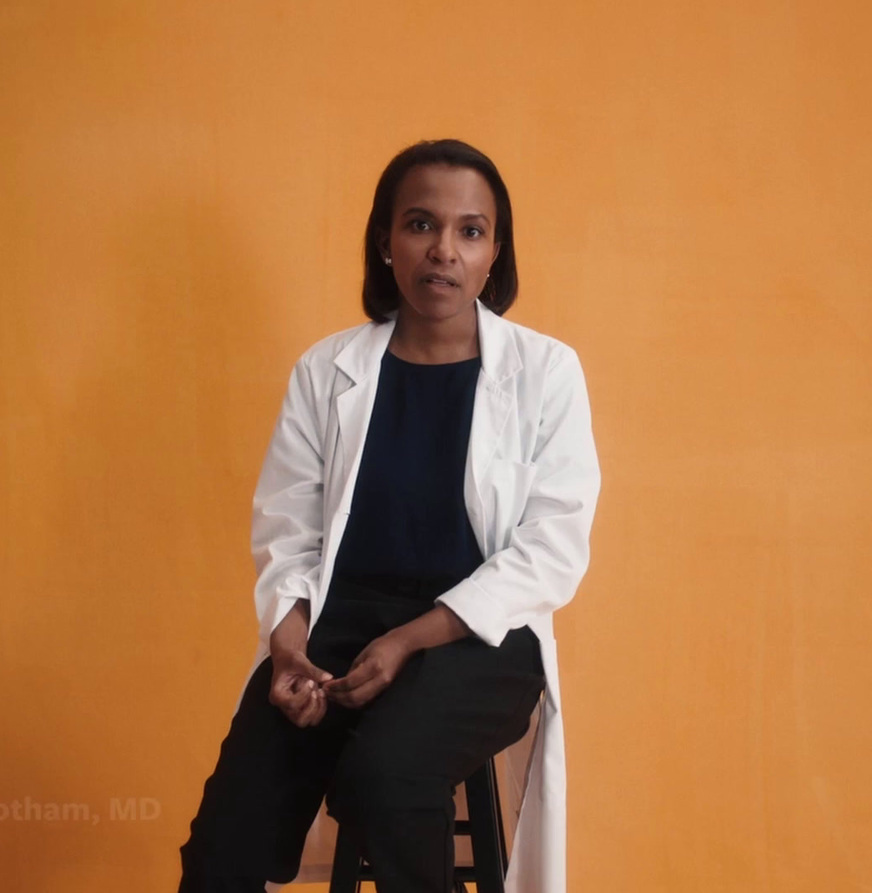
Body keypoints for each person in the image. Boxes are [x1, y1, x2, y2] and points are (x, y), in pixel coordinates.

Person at [176, 138, 600, 893]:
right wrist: (289, 647)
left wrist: (410, 637)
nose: (443, 250)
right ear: (385, 240)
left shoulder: (546, 372)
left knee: (385, 779)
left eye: (470, 230)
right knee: (223, 844)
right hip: (335, 630)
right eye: (420, 224)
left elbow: (552, 548)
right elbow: (288, 528)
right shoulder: (326, 369)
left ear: (496, 251)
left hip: (477, 637)